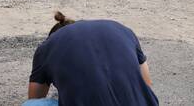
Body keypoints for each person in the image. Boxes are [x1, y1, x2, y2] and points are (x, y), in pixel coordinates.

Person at [24, 12, 158, 106]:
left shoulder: (47, 47)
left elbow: (35, 98)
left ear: (52, 36)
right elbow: (147, 83)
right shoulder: (122, 30)